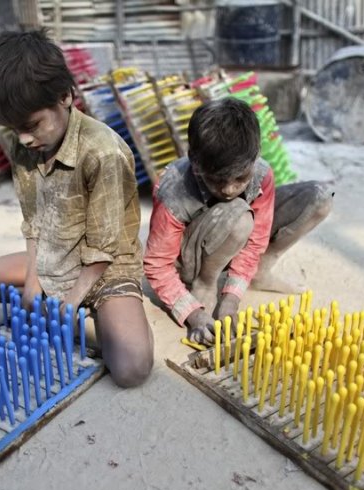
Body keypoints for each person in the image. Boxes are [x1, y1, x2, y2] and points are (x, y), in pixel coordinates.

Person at [0, 30, 153, 387]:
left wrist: (69, 304)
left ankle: (102, 317)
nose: (23, 139)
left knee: (132, 369)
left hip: (105, 268)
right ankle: (69, 311)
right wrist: (34, 282)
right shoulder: (26, 146)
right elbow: (33, 224)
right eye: (14, 129)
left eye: (31, 125)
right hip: (54, 254)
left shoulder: (103, 152)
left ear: (65, 96)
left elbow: (103, 250)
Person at [143, 98, 333, 345]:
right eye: (217, 181)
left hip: (234, 234)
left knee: (319, 198)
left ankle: (259, 273)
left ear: (255, 157)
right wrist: (193, 314)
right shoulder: (173, 191)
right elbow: (158, 265)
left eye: (241, 178)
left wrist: (232, 296)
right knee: (240, 215)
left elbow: (256, 239)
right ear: (196, 163)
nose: (230, 189)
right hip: (193, 257)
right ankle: (205, 282)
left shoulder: (260, 173)